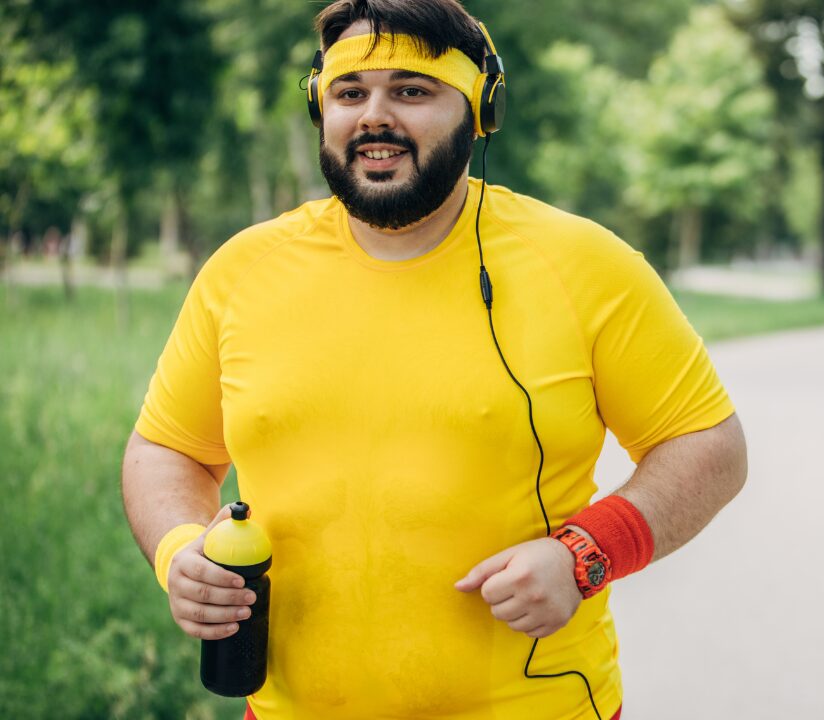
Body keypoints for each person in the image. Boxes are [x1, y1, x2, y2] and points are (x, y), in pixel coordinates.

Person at [119, 1, 748, 719]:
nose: (374, 117)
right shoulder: (244, 270)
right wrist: (179, 552)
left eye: (411, 91)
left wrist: (586, 555)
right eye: (350, 94)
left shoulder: (584, 266)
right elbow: (166, 448)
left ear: (480, 110)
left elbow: (709, 443)